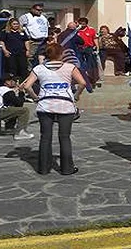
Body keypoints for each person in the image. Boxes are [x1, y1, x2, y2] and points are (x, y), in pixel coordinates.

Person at [22, 43, 87, 175]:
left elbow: (27, 86)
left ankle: (43, 168)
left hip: (45, 104)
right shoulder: (70, 67)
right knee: (64, 137)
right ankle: (67, 168)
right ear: (61, 54)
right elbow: (82, 83)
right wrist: (76, 95)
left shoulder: (39, 68)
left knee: (45, 137)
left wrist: (36, 98)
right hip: (65, 105)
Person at [0, 73, 33, 140]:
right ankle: (20, 132)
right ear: (7, 82)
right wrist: (21, 92)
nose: (15, 82)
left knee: (12, 109)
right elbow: (19, 103)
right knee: (24, 110)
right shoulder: (6, 91)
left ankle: (9, 127)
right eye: (13, 80)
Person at [0, 18, 30, 82]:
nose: (16, 25)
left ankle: (23, 83)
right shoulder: (5, 32)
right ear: (10, 25)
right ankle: (13, 82)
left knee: (23, 69)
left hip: (21, 53)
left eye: (17, 24)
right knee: (12, 69)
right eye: (14, 24)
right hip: (11, 54)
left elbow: (26, 41)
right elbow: (1, 42)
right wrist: (5, 51)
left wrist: (28, 50)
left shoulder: (22, 32)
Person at [77, 17, 100, 86]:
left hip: (88, 48)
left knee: (90, 64)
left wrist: (97, 48)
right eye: (81, 22)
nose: (82, 24)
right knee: (80, 64)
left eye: (83, 22)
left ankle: (92, 79)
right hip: (79, 48)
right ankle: (81, 78)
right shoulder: (76, 30)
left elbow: (95, 39)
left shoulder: (91, 30)